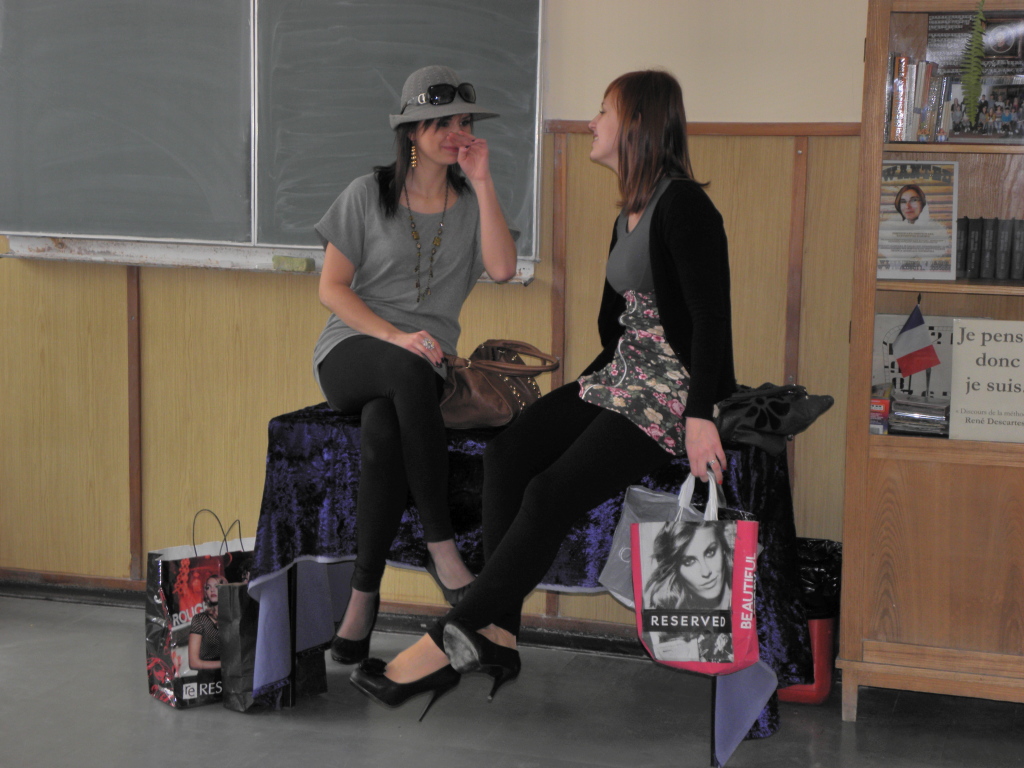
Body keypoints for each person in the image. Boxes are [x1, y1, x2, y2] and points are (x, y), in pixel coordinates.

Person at [349, 69, 737, 718]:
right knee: (507, 454)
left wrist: (700, 416)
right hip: (624, 375)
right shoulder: (629, 212)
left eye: (604, 111)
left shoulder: (686, 206)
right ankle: (500, 637)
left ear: (637, 124)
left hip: (671, 389)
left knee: (551, 493)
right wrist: (589, 391)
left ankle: (449, 639)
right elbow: (619, 328)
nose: (591, 122)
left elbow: (711, 320)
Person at [313, 65, 517, 666]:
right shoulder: (367, 193)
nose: (457, 133)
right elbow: (331, 288)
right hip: (352, 350)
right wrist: (395, 336)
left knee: (383, 431)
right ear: (410, 132)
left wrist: (483, 181)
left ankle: (361, 603)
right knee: (405, 370)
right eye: (441, 123)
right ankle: (442, 546)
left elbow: (503, 269)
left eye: (464, 122)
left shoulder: (471, 202)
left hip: (422, 363)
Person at [188, 574, 227, 680]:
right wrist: (225, 664)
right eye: (208, 587)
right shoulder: (200, 619)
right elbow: (193, 663)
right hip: (208, 682)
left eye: (216, 586)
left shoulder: (234, 618)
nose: (212, 590)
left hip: (232, 679)